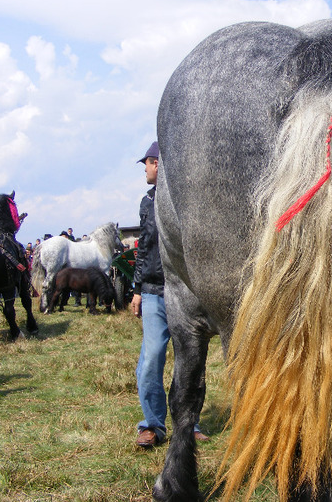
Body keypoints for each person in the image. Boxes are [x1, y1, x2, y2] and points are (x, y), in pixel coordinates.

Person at [131, 141, 208, 447]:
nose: (146, 170)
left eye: (147, 163)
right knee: (151, 358)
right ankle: (152, 424)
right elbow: (144, 250)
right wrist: (137, 290)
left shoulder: (187, 201)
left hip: (186, 291)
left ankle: (189, 423)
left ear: (158, 163)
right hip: (153, 291)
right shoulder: (146, 202)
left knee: (189, 360)